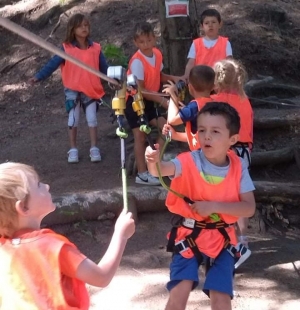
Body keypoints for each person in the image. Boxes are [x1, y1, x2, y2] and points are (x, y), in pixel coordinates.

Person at [145, 102, 255, 310]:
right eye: (202, 130)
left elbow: (248, 207)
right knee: (180, 291)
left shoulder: (238, 167)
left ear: (232, 139)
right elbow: (159, 170)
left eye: (215, 131)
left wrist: (213, 206)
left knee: (221, 298)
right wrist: (153, 161)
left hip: (224, 241)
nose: (206, 136)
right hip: (188, 237)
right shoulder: (187, 161)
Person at [0, 162, 135, 309]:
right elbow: (101, 277)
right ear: (23, 207)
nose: (47, 186)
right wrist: (121, 235)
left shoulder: (3, 249)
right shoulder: (53, 247)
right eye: (38, 185)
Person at [29, 13, 108, 163]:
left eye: (86, 25)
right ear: (73, 29)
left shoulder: (95, 48)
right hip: (72, 91)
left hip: (91, 89)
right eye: (80, 26)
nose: (84, 28)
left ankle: (94, 148)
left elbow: (104, 68)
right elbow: (52, 65)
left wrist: (114, 78)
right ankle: (73, 149)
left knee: (92, 119)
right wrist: (38, 76)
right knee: (73, 120)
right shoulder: (66, 49)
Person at [125, 22, 182, 185]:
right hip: (135, 102)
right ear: (136, 43)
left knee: (166, 128)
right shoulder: (137, 61)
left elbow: (159, 74)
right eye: (141, 42)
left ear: (154, 39)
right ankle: (142, 174)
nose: (146, 45)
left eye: (149, 40)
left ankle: (155, 163)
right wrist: (164, 100)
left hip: (150, 102)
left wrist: (174, 78)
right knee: (140, 137)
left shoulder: (157, 54)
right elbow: (141, 90)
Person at [212, 59, 253, 259]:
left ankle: (227, 239)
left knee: (224, 193)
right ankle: (242, 237)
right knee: (242, 194)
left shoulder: (215, 102)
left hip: (226, 152)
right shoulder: (245, 101)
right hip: (244, 151)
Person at [163, 65, 215, 151]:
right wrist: (175, 135)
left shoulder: (194, 107)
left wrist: (173, 95)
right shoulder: (215, 104)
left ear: (190, 87)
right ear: (213, 86)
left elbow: (172, 120)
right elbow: (197, 137)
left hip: (201, 155)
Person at [183, 9, 233, 80]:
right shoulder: (196, 43)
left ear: (220, 24)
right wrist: (186, 77)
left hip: (219, 82)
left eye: (213, 22)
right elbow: (191, 63)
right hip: (201, 82)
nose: (210, 25)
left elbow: (229, 63)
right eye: (206, 23)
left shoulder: (225, 43)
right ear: (202, 26)